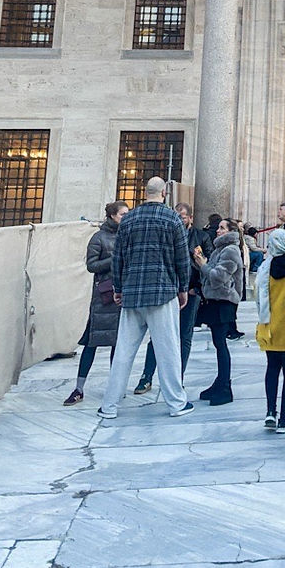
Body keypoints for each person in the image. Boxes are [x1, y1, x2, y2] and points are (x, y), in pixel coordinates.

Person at [97, 177, 193, 421]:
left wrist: (118, 287)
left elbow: (118, 257)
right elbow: (182, 258)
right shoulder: (172, 218)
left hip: (132, 293)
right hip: (162, 292)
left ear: (146, 192)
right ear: (164, 193)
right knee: (168, 350)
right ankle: (176, 403)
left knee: (124, 352)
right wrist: (183, 288)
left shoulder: (128, 219)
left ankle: (109, 405)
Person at [133, 201, 210, 395]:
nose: (179, 219)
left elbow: (208, 265)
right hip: (167, 292)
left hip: (190, 292)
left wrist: (197, 288)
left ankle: (179, 378)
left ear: (190, 218)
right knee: (157, 335)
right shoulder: (167, 233)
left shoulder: (201, 237)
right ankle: (147, 376)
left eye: (182, 216)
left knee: (184, 336)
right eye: (177, 216)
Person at [64, 200, 129, 405]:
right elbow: (91, 265)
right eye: (122, 215)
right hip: (103, 298)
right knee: (91, 343)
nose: (125, 218)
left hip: (122, 296)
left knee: (118, 345)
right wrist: (115, 258)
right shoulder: (98, 238)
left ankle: (116, 385)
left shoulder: (127, 236)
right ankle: (79, 388)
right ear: (112, 216)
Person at [255, 227, 285, 431]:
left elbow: (258, 296)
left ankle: (270, 411)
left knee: (272, 370)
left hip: (270, 326)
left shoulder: (265, 268)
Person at [194, 219, 244, 405]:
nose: (218, 231)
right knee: (218, 343)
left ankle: (225, 386)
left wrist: (202, 264)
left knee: (221, 344)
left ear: (230, 231)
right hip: (215, 301)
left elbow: (219, 277)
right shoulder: (220, 249)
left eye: (222, 228)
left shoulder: (230, 250)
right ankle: (220, 382)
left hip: (224, 302)